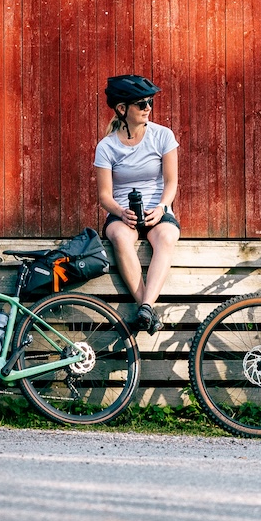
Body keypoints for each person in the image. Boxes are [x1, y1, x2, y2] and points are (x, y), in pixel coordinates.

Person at [93, 74, 180, 334]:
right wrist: (121, 212)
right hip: (122, 212)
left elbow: (171, 182)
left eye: (150, 102)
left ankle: (144, 308)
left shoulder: (163, 136)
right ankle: (148, 309)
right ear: (122, 109)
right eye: (141, 104)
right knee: (120, 236)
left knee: (166, 236)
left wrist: (162, 207)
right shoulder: (106, 147)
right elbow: (104, 195)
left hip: (157, 208)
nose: (148, 108)